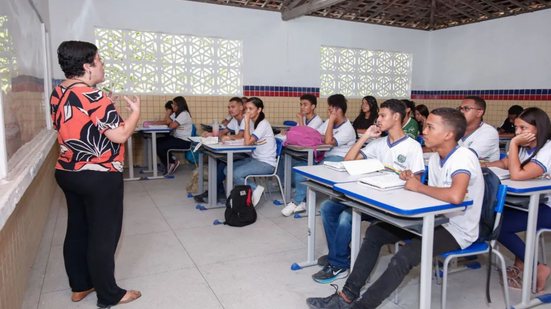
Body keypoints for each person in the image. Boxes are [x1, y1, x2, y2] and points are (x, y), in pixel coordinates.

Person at [307, 107, 484, 309]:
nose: (423, 131)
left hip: (457, 229)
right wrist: (413, 183)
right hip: (434, 219)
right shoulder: (436, 157)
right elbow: (434, 192)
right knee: (375, 233)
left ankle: (362, 306)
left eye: (429, 127)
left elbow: (455, 195)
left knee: (404, 257)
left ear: (448, 134)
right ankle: (347, 295)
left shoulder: (463, 156)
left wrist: (419, 186)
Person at [50, 40, 141, 308]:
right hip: (98, 176)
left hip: (67, 171)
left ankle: (80, 286)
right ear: (87, 66)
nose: (102, 65)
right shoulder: (94, 96)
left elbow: (77, 123)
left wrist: (104, 107)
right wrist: (134, 114)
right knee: (104, 234)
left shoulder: (58, 92)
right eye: (99, 61)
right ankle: (109, 294)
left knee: (78, 228)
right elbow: (121, 135)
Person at [312, 99, 425, 284]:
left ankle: (338, 263)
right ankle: (339, 254)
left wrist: (408, 176)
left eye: (382, 115)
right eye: (378, 115)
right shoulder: (379, 143)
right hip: (369, 195)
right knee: (326, 207)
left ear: (396, 117)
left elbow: (418, 181)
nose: (378, 119)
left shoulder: (412, 146)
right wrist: (365, 137)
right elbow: (348, 161)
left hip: (390, 202)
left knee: (346, 217)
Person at [485, 107, 551, 292]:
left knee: (500, 226)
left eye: (523, 128)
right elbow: (506, 163)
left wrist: (513, 143)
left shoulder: (548, 149)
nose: (517, 133)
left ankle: (538, 267)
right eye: (516, 128)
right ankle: (524, 264)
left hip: (547, 206)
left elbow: (517, 174)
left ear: (537, 128)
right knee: (493, 217)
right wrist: (485, 165)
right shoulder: (526, 147)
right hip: (532, 203)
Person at [281, 94, 356, 216]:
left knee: (310, 170)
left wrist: (330, 123)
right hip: (325, 155)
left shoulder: (347, 129)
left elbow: (327, 141)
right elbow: (315, 135)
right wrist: (327, 130)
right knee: (301, 169)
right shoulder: (328, 122)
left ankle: (296, 202)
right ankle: (302, 201)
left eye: (331, 109)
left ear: (339, 110)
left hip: (339, 159)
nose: (328, 111)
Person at [230, 97, 278, 206]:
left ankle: (254, 190)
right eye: (246, 109)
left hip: (266, 163)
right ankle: (243, 195)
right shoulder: (253, 122)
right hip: (255, 159)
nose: (247, 112)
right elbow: (247, 140)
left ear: (259, 110)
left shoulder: (263, 124)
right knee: (227, 169)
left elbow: (247, 142)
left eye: (251, 109)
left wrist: (246, 122)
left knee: (236, 174)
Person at [156, 96, 193, 175]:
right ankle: (171, 161)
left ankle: (172, 163)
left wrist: (169, 114)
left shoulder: (184, 114)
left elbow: (171, 126)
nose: (172, 106)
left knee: (161, 145)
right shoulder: (177, 114)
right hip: (177, 138)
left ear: (179, 105)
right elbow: (166, 121)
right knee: (157, 141)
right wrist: (168, 114)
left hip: (184, 141)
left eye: (174, 105)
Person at [457, 96, 500, 162]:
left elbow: (468, 157)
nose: (461, 112)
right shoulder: (456, 128)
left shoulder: (489, 132)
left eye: (466, 108)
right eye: (460, 108)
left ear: (479, 113)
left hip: (483, 171)